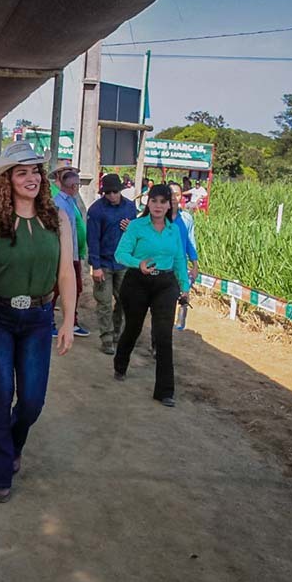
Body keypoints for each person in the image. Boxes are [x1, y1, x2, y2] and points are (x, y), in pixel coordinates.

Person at [0, 141, 75, 502]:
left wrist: (67, 320)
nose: (31, 178)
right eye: (22, 172)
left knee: (31, 400)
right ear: (7, 180)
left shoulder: (58, 219)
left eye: (35, 171)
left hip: (38, 319)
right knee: (1, 393)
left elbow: (66, 274)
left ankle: (13, 443)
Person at [112, 183, 191, 407]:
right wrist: (139, 263)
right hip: (137, 282)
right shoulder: (137, 226)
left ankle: (165, 391)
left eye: (163, 201)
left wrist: (184, 286)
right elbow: (121, 254)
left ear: (169, 205)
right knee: (134, 328)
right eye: (154, 201)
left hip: (165, 285)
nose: (158, 206)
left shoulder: (174, 229)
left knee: (163, 335)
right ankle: (120, 364)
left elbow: (179, 261)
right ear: (148, 203)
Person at [87, 173, 138, 355]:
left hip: (123, 262)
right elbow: (92, 239)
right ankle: (106, 337)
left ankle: (117, 331)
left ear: (120, 191)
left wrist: (131, 228)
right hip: (105, 262)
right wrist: (96, 266)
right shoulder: (96, 211)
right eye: (108, 193)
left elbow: (138, 231)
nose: (112, 196)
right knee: (104, 302)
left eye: (114, 192)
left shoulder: (131, 208)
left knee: (125, 300)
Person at [52, 168, 90, 337]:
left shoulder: (70, 202)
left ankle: (71, 321)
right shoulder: (59, 203)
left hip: (73, 252)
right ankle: (50, 321)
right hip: (63, 255)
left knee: (75, 288)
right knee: (55, 290)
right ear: (74, 186)